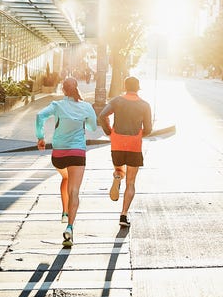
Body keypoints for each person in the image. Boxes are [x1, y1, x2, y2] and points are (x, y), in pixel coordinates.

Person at [36, 76, 98, 247]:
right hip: (77, 153)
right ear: (77, 87)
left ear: (63, 90)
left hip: (59, 155)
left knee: (65, 178)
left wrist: (41, 138)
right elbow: (93, 127)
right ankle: (70, 228)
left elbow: (39, 116)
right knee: (75, 190)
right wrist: (83, 120)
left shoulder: (57, 105)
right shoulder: (86, 107)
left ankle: (64, 212)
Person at [98, 76, 152, 228]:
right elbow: (148, 128)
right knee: (131, 182)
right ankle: (123, 215)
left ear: (125, 86)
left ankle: (117, 175)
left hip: (117, 143)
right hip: (134, 145)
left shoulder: (117, 101)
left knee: (119, 168)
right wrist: (140, 134)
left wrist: (109, 131)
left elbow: (102, 115)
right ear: (138, 87)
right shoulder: (144, 105)